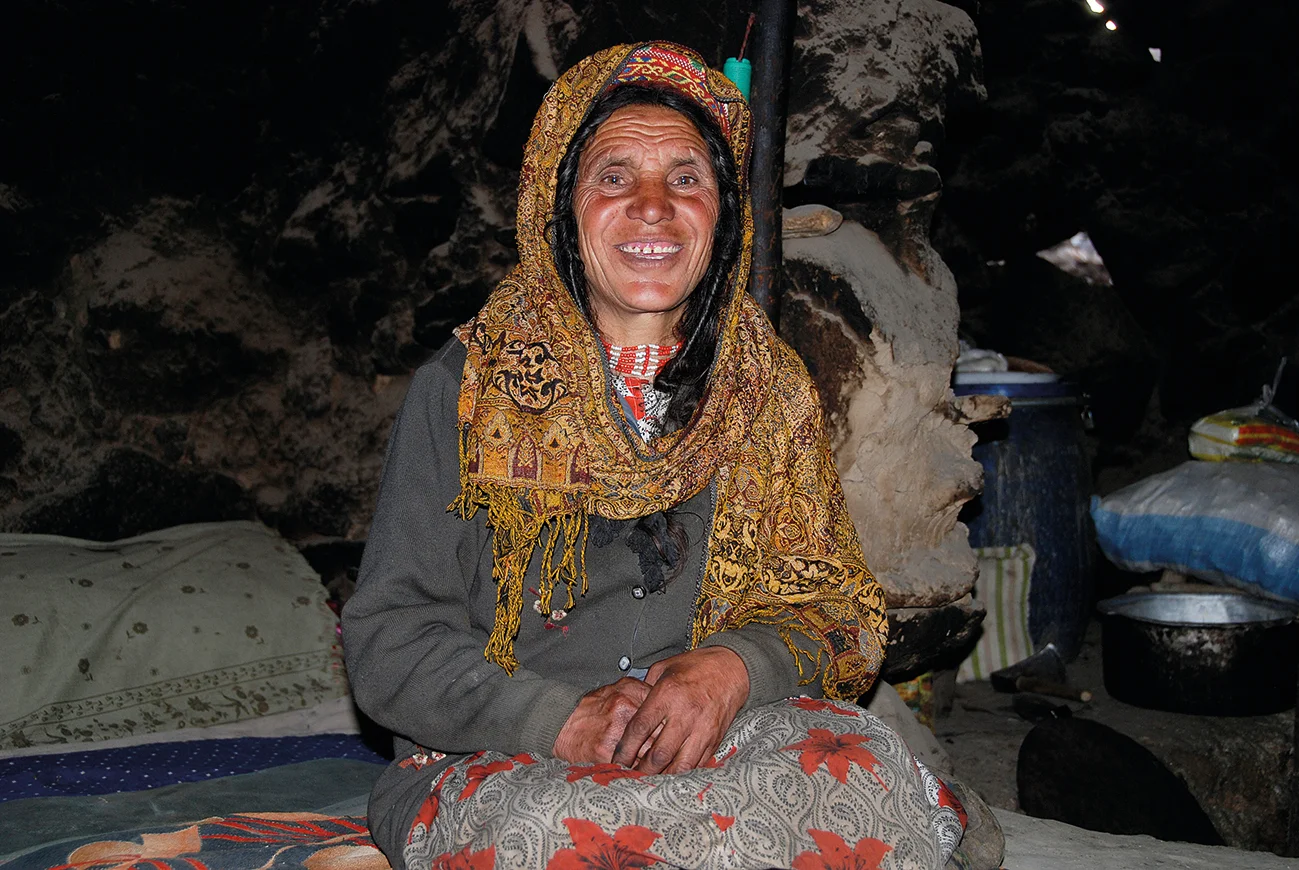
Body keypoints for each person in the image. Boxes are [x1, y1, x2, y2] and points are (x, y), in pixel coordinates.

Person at [343, 41, 966, 870]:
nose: (651, 207)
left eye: (685, 178)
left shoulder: (768, 389)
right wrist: (559, 721)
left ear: (724, 216)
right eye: (613, 177)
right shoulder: (464, 389)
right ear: (557, 208)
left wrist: (732, 669)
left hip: (715, 744)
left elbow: (836, 613)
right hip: (502, 755)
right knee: (561, 839)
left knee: (861, 775)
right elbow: (389, 638)